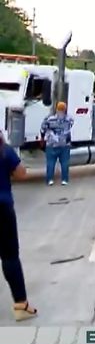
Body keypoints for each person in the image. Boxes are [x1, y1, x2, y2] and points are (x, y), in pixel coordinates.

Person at [0, 130, 38, 321]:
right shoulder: (4, 150)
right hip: (2, 208)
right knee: (9, 257)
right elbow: (21, 174)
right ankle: (21, 305)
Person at [40, 101, 74, 186]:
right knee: (65, 163)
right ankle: (64, 180)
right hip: (64, 144)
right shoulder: (69, 119)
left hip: (51, 144)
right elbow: (71, 125)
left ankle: (50, 180)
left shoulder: (49, 119)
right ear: (65, 109)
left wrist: (42, 138)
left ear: (56, 109)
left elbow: (43, 129)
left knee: (50, 163)